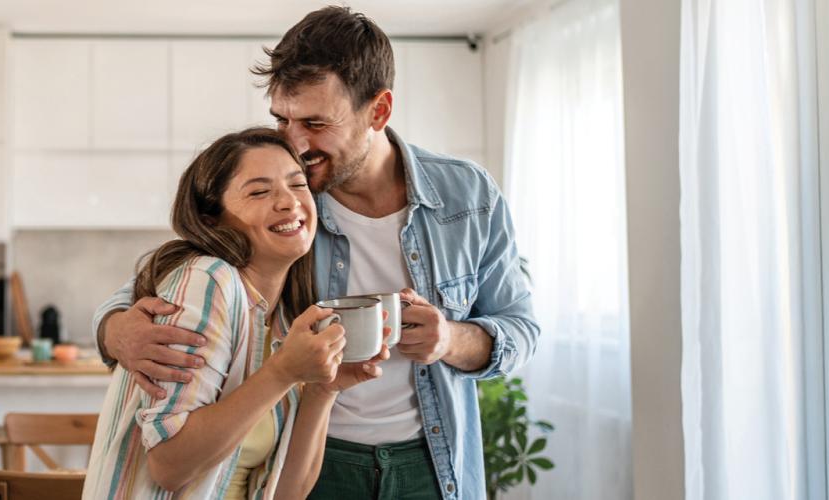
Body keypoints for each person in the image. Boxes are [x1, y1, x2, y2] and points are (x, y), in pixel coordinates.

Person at [92, 6, 540, 499]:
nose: (295, 143)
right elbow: (162, 290)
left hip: (434, 461)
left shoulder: (467, 197)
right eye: (281, 118)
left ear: (379, 111)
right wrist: (115, 332)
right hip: (307, 456)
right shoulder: (286, 207)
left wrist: (448, 340)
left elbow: (520, 328)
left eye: (315, 122)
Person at [82, 127, 388, 499]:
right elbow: (169, 464)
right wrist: (283, 373)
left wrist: (325, 388)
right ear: (212, 219)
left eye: (297, 185)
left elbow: (286, 491)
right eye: (260, 191)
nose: (289, 202)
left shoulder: (283, 318)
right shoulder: (209, 280)